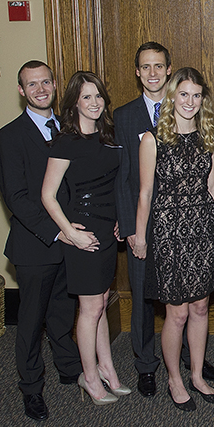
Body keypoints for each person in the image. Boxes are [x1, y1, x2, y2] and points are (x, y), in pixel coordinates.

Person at [114, 42, 214, 398]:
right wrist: (140, 235)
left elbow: (212, 187)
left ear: (202, 99)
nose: (189, 101)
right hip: (169, 231)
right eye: (184, 94)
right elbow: (144, 192)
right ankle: (174, 379)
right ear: (173, 96)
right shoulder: (153, 138)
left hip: (202, 230)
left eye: (196, 95)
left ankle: (197, 376)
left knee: (201, 306)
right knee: (176, 313)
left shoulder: (210, 136)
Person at [0, 61, 83, 421]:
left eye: (45, 82)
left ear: (55, 84)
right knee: (31, 321)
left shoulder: (69, 128)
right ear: (21, 91)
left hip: (71, 242)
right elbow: (16, 198)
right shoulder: (8, 137)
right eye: (32, 85)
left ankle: (68, 368)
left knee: (62, 312)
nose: (40, 89)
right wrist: (57, 231)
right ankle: (31, 387)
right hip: (36, 245)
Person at [42, 71, 130, 405]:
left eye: (98, 96)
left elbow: (116, 183)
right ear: (74, 103)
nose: (94, 103)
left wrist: (120, 219)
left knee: (101, 301)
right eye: (86, 97)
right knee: (90, 308)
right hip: (84, 233)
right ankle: (89, 376)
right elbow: (48, 195)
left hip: (108, 229)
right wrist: (69, 233)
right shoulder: (66, 141)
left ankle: (107, 369)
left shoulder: (108, 136)